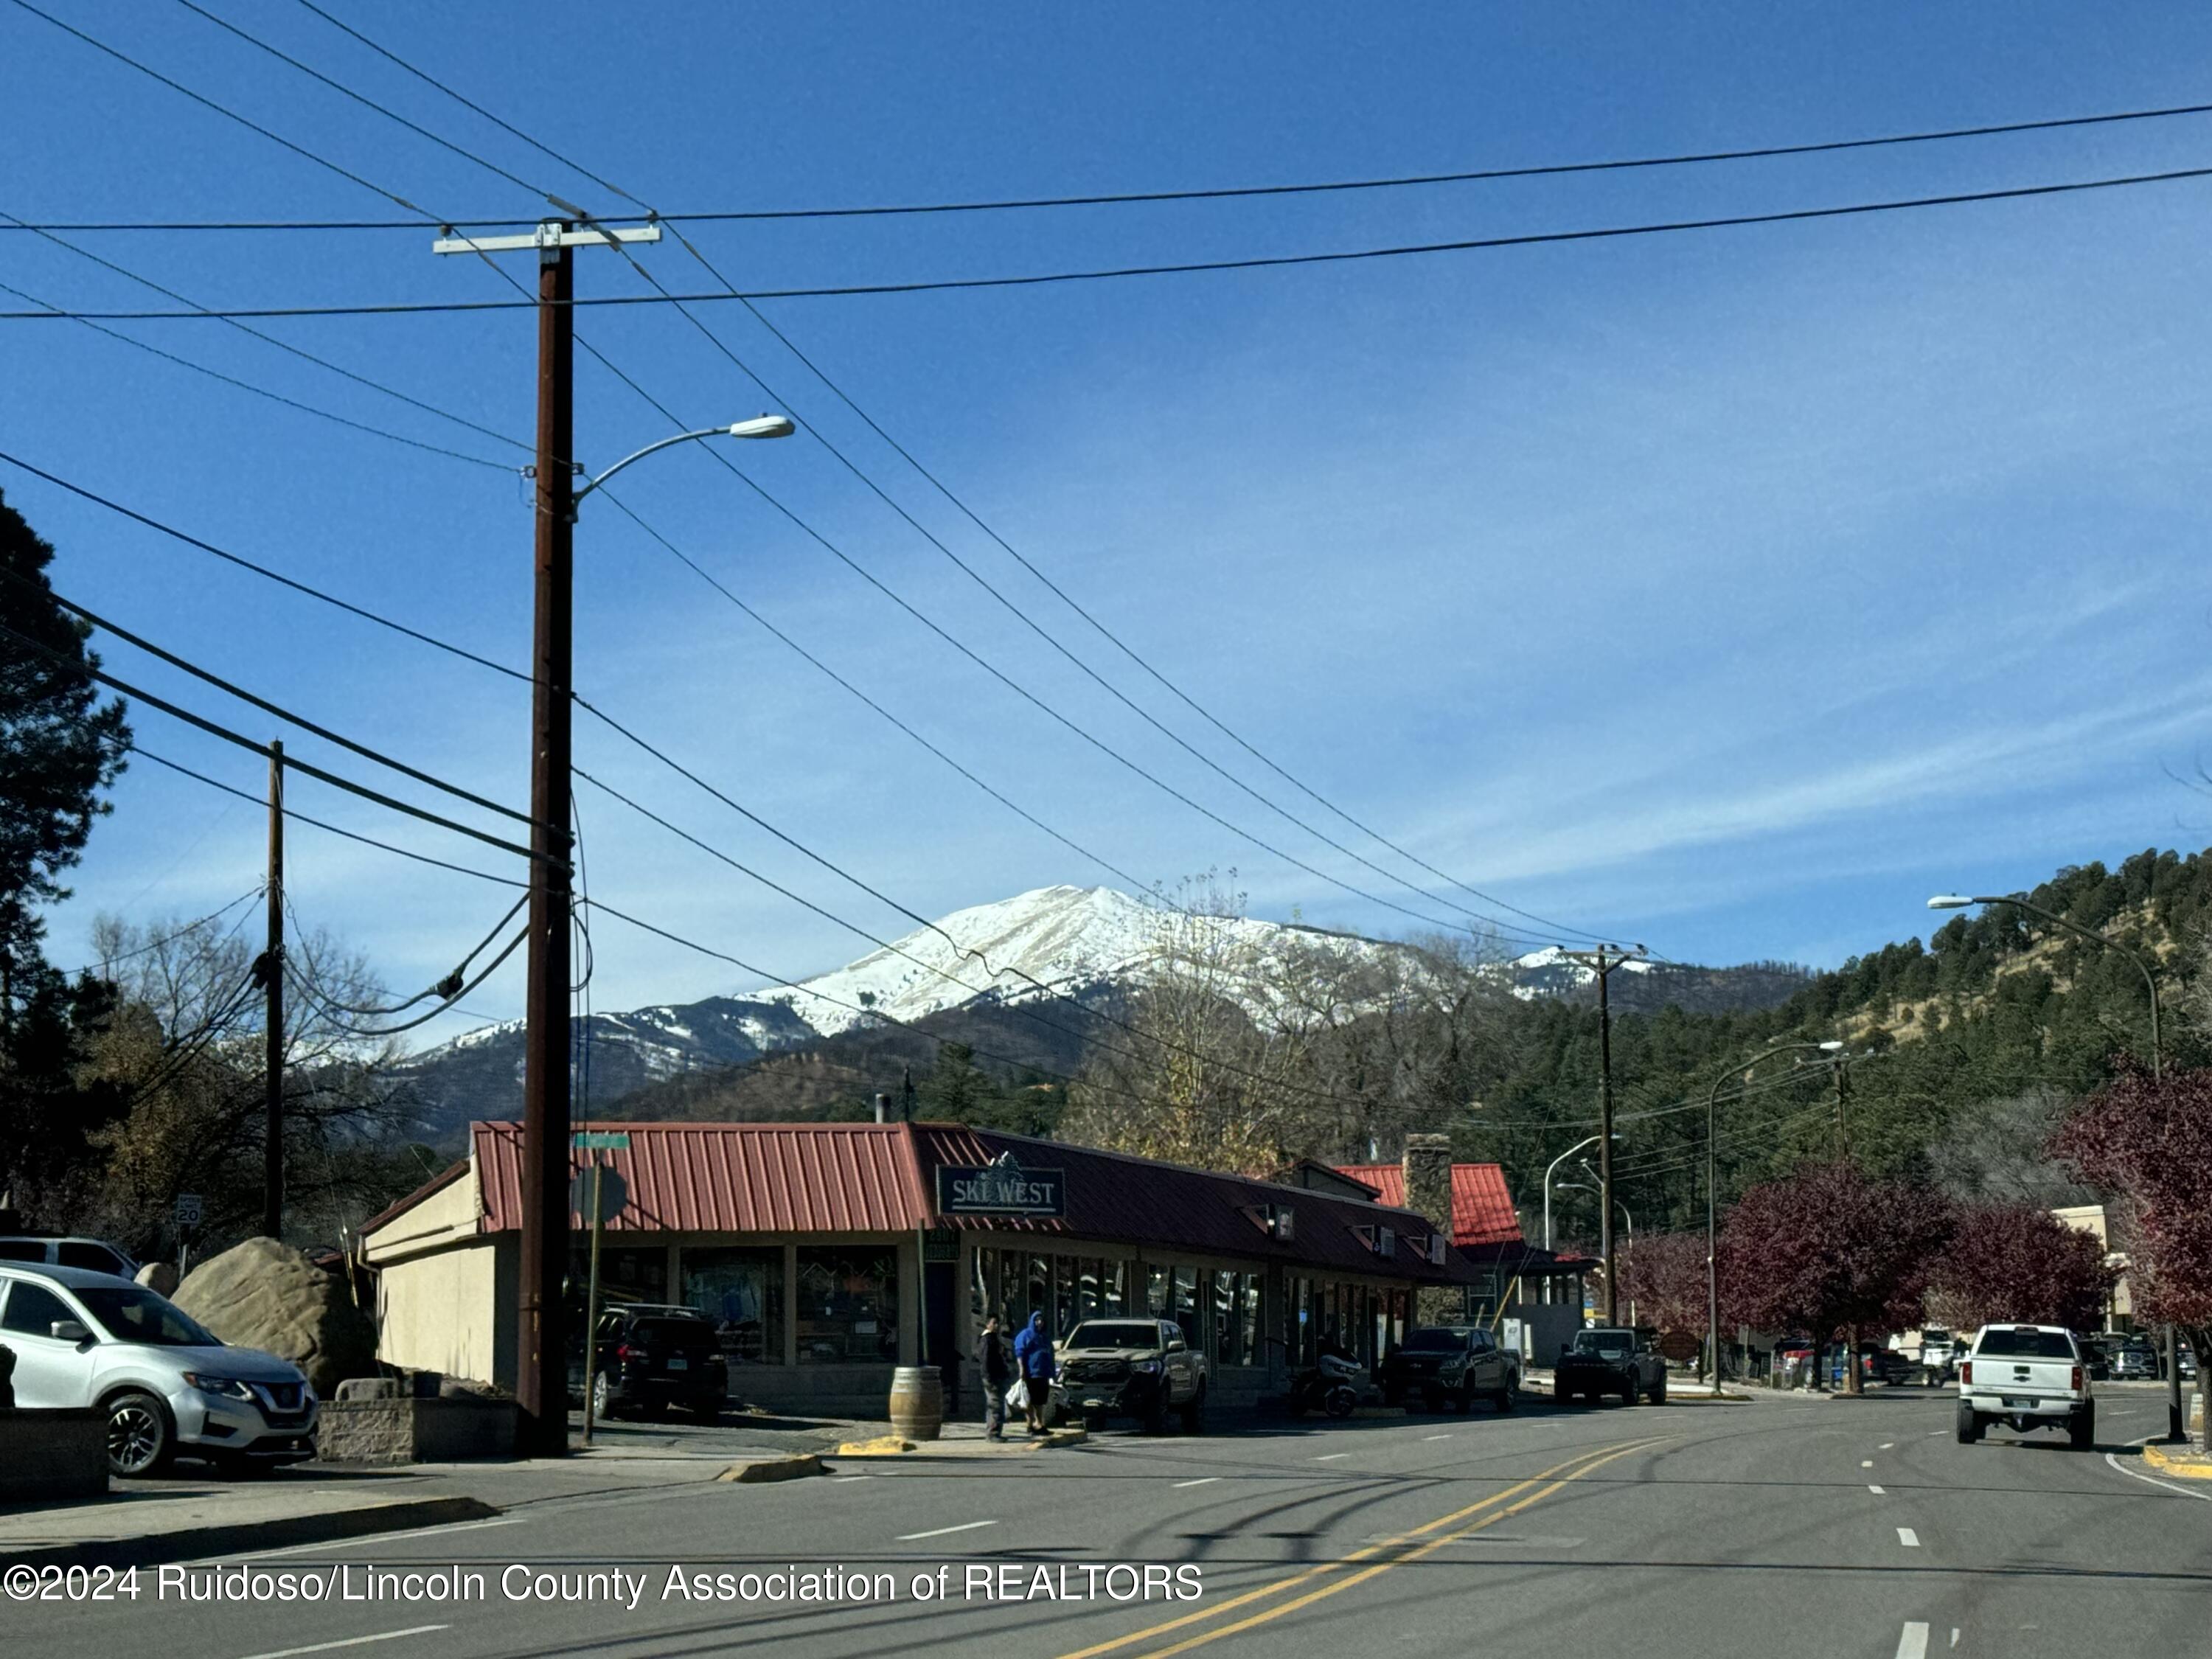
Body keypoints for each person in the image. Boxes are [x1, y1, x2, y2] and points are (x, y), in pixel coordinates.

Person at [1012, 1310, 1056, 1435]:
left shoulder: (1045, 1339)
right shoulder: (1025, 1335)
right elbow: (1020, 1352)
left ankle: (1040, 1424)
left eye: (1041, 1320)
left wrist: (1052, 1373)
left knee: (1040, 1401)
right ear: (1032, 1321)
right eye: (1037, 1320)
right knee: (1028, 1400)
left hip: (1043, 1374)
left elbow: (1051, 1355)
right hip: (1030, 1374)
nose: (1039, 1322)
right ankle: (1030, 1424)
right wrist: (1022, 1369)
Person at [978, 1315, 1011, 1441]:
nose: (997, 1326)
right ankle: (993, 1433)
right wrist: (989, 1378)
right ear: (988, 1325)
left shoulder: (994, 1339)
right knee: (995, 1405)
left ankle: (996, 1431)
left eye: (998, 1323)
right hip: (992, 1377)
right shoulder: (987, 1339)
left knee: (997, 1404)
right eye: (994, 1323)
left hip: (997, 1376)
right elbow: (986, 1360)